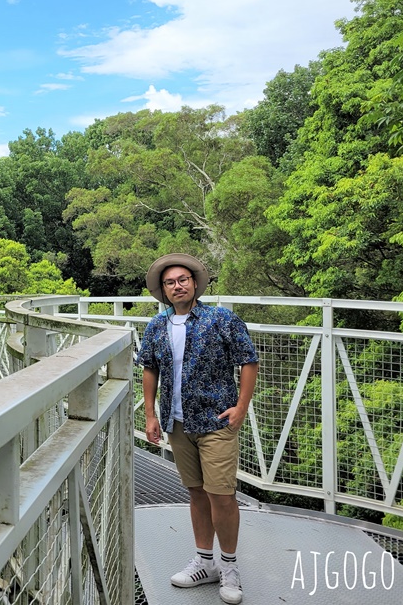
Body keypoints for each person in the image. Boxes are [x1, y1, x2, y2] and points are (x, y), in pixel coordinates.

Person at [138, 253, 259, 605]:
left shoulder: (220, 318)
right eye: (170, 282)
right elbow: (149, 369)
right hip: (177, 423)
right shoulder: (156, 327)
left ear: (194, 283)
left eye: (183, 280)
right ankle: (205, 561)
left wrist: (241, 407)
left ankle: (230, 566)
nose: (177, 286)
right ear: (163, 290)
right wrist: (150, 414)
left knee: (221, 494)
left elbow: (248, 360)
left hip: (215, 422)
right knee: (196, 492)